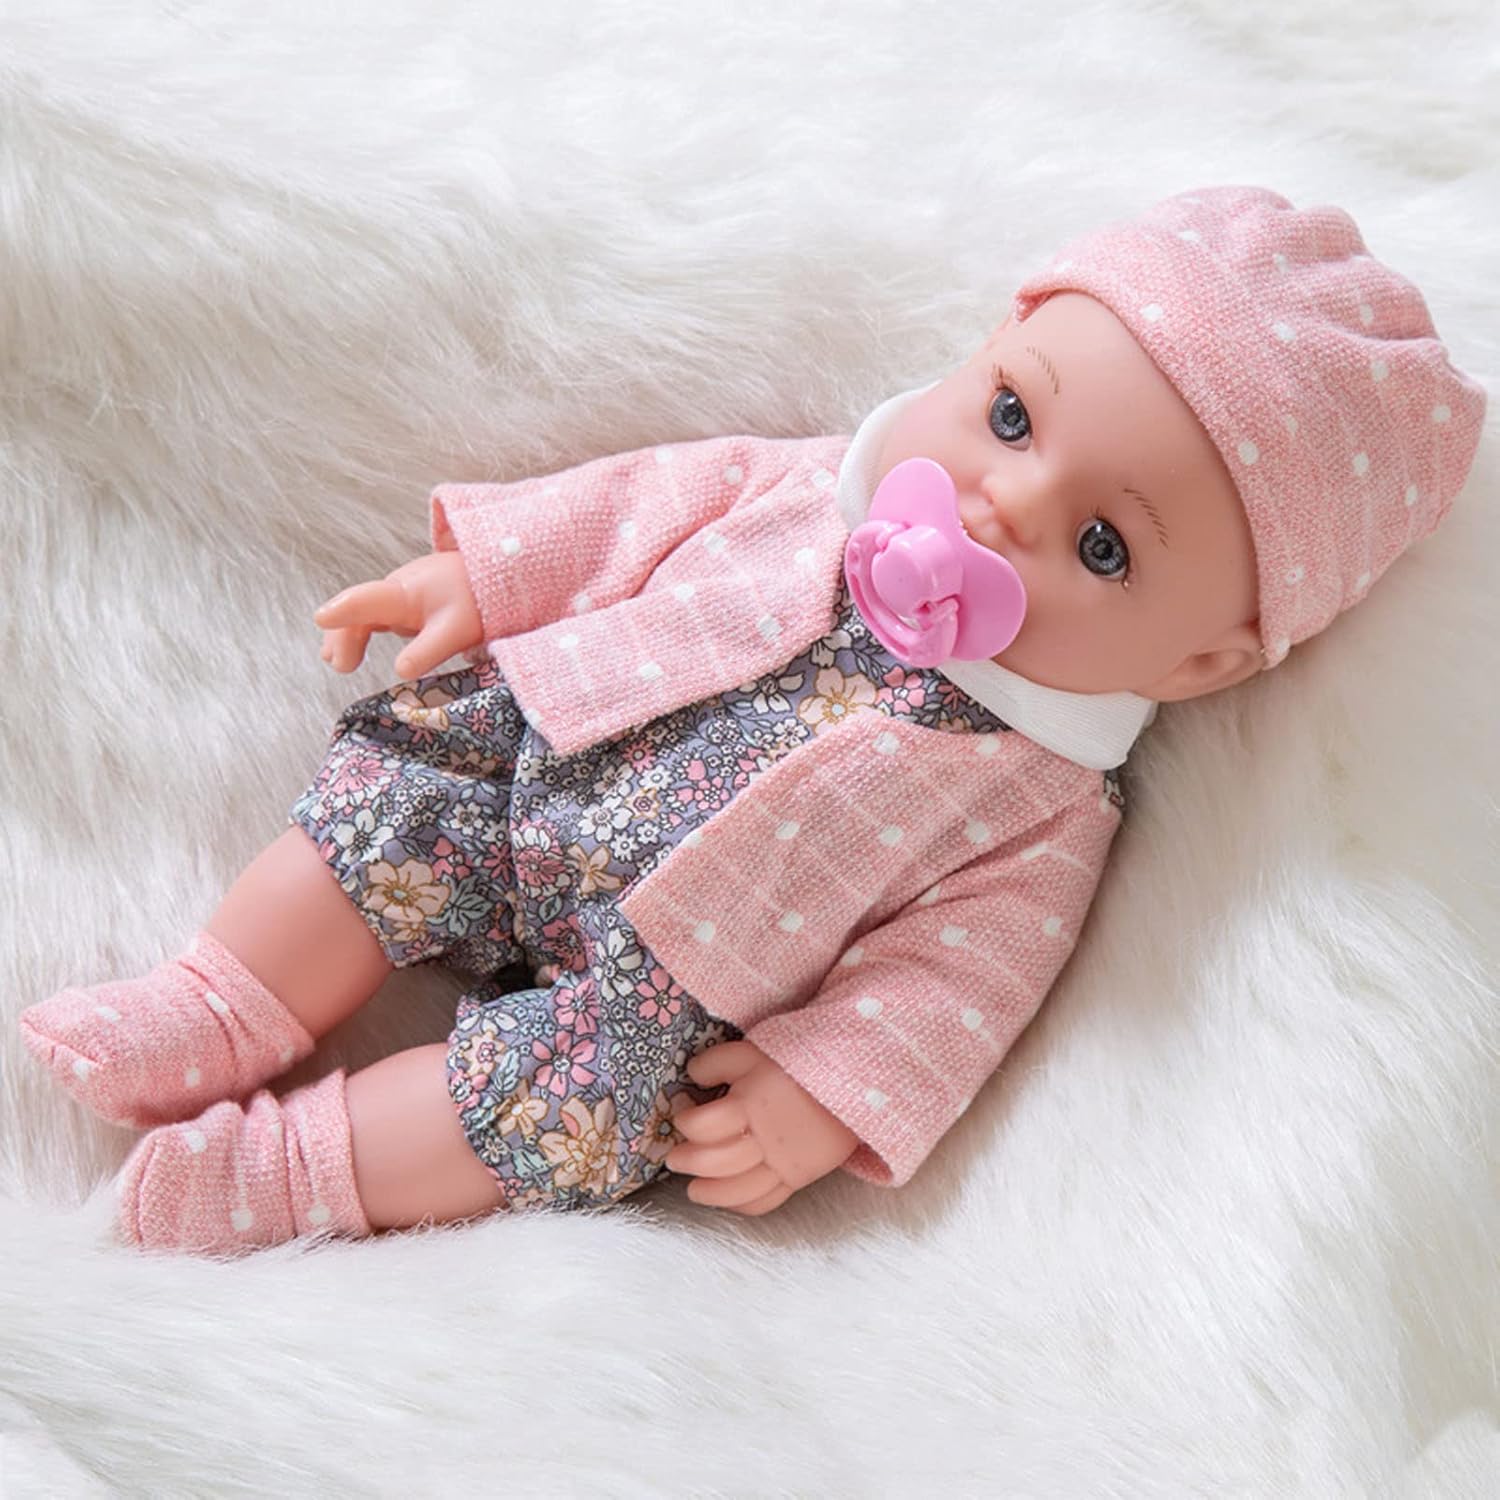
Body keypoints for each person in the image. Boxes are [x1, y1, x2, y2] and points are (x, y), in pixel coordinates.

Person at [19, 186, 1486, 1255]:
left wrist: (821, 1095)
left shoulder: (1039, 801)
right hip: (543, 742)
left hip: (669, 979)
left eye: (1103, 548)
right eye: (1012, 417)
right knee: (388, 800)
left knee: (562, 1111)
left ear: (1208, 663)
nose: (1003, 503)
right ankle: (218, 998)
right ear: (1000, 337)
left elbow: (956, 979)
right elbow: (642, 506)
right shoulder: (810, 487)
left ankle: (285, 1177)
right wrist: (489, 572)